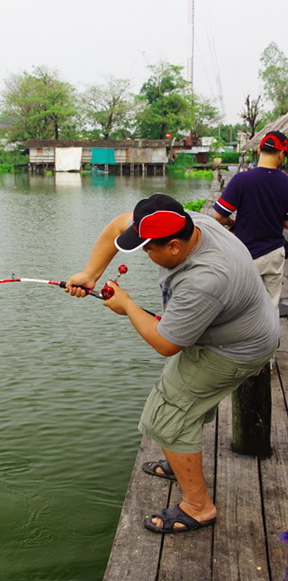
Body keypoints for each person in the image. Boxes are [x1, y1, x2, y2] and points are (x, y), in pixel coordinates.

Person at [66, 193, 279, 534]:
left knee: (165, 417)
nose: (146, 256)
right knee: (181, 398)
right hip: (238, 326)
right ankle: (180, 461)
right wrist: (90, 274)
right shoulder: (193, 222)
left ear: (176, 247)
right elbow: (116, 226)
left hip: (236, 348)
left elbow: (166, 344)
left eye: (150, 249)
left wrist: (127, 306)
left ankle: (198, 507)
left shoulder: (205, 279)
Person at [213, 130, 288, 310]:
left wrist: (232, 222)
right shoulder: (285, 182)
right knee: (271, 306)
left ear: (259, 149)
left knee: (244, 308)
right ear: (282, 154)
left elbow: (219, 216)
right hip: (274, 253)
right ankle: (272, 338)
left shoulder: (242, 180)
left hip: (247, 254)